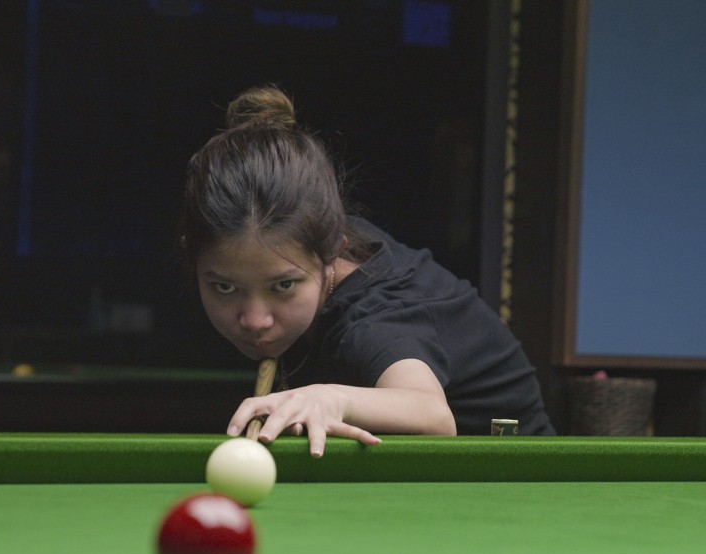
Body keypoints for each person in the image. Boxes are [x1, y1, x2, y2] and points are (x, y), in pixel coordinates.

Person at [178, 85, 555, 457]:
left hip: (518, 483)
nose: (255, 320)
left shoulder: (373, 320)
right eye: (225, 288)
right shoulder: (305, 234)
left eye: (284, 286)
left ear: (331, 254)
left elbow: (433, 416)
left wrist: (329, 399)